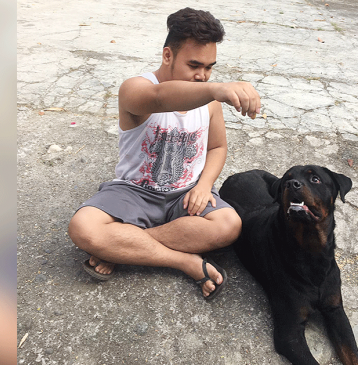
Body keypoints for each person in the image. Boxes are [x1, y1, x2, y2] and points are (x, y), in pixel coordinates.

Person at [68, 7, 261, 300]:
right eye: (194, 65)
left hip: (185, 196)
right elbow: (159, 98)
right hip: (134, 192)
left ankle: (123, 250)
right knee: (84, 228)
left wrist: (205, 185)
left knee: (229, 225)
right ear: (167, 55)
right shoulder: (135, 88)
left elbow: (217, 147)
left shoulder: (210, 102)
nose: (203, 76)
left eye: (210, 67)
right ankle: (184, 261)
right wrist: (217, 88)